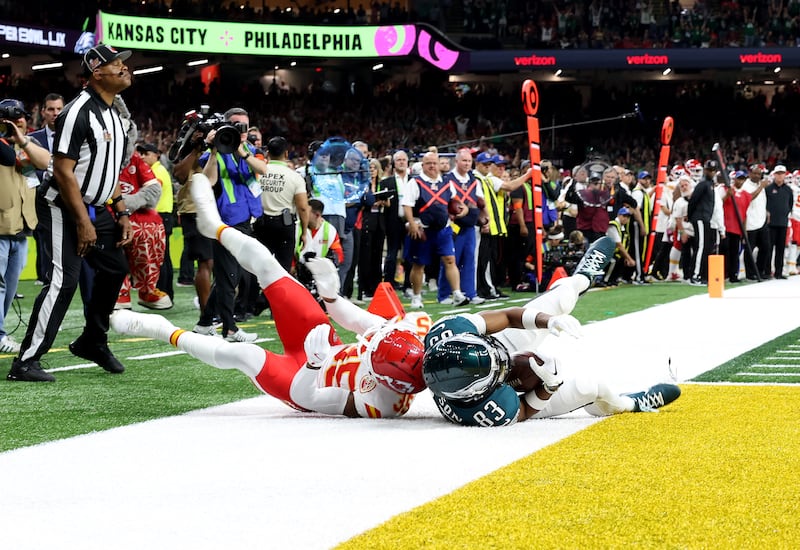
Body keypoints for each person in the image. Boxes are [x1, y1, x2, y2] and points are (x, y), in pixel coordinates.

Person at [111, 172, 430, 418]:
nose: (371, 346)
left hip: (304, 380)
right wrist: (332, 297)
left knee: (244, 356)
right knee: (269, 266)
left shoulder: (383, 404)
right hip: (326, 345)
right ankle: (214, 225)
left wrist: (314, 367)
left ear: (392, 384)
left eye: (374, 360)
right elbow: (358, 321)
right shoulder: (407, 332)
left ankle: (161, 329)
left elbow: (311, 399)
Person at [422, 236, 681, 426]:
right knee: (589, 387)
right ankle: (633, 403)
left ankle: (582, 278)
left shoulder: (445, 335)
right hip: (509, 391)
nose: (504, 362)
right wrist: (547, 388)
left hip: (496, 343)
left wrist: (548, 321)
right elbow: (522, 410)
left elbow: (507, 316)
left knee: (559, 302)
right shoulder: (484, 409)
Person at [8, 44, 134, 382]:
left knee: (115, 267)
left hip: (99, 206)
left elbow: (107, 170)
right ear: (97, 73)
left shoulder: (114, 114)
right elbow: (63, 171)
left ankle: (93, 339)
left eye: (123, 63)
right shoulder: (77, 111)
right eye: (116, 64)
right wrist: (82, 222)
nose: (124, 68)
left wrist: (121, 211)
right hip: (63, 205)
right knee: (64, 281)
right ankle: (26, 361)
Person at [196, 107, 265, 342]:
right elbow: (209, 180)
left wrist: (242, 151)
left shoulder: (250, 150)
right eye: (236, 126)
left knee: (231, 276)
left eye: (244, 127)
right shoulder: (214, 152)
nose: (241, 131)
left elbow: (263, 170)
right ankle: (230, 329)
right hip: (225, 221)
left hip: (245, 219)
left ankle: (205, 323)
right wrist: (215, 149)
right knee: (229, 276)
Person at [0, 100, 49, 354]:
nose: (17, 121)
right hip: (1, 223)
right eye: (10, 118)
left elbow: (43, 165)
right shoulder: (4, 144)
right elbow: (8, 157)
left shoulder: (28, 144)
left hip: (22, 225)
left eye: (20, 117)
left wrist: (20, 139)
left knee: (9, 285)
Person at [402, 151, 468, 308]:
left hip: (443, 229)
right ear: (423, 165)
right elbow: (407, 205)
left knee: (450, 260)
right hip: (423, 230)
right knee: (419, 265)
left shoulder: (446, 182)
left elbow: (456, 201)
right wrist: (411, 223)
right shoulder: (415, 182)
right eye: (428, 163)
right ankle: (416, 297)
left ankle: (457, 293)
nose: (432, 166)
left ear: (439, 165)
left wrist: (462, 210)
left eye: (434, 163)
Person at [116, 145, 172, 310]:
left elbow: (153, 191)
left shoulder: (136, 161)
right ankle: (120, 289)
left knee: (150, 229)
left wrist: (125, 204)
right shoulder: (100, 156)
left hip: (140, 212)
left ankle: (147, 287)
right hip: (108, 212)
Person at [253, 135, 309, 271]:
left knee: (257, 267)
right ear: (286, 153)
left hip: (261, 224)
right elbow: (302, 207)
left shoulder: (258, 173)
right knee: (282, 270)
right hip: (284, 225)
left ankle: (254, 292)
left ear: (267, 153)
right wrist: (304, 231)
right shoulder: (295, 177)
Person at [29, 93, 64, 286]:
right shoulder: (31, 139)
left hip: (70, 201)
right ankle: (46, 279)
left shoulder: (75, 136)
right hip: (41, 202)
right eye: (51, 109)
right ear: (43, 112)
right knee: (45, 244)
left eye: (59, 109)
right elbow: (27, 172)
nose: (55, 113)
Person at [139, 143, 176, 301]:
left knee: (161, 258)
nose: (143, 157)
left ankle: (164, 291)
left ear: (155, 155)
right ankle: (165, 291)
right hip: (164, 215)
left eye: (146, 154)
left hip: (161, 215)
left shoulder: (157, 172)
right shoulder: (158, 170)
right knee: (163, 257)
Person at [687, 160, 717, 285]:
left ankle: (698, 274)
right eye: (709, 170)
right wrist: (691, 216)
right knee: (701, 246)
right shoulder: (703, 184)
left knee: (703, 246)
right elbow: (693, 200)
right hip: (700, 217)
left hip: (705, 218)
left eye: (713, 170)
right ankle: (695, 275)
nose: (711, 172)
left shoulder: (709, 184)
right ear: (705, 170)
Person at [765, 165, 794, 279]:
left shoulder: (788, 190)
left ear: (784, 175)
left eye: (782, 173)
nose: (780, 175)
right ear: (774, 175)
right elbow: (765, 204)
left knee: (780, 249)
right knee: (769, 248)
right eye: (778, 173)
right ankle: (767, 272)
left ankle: (778, 272)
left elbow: (790, 204)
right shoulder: (768, 189)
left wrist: (786, 213)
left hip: (783, 223)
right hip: (770, 223)